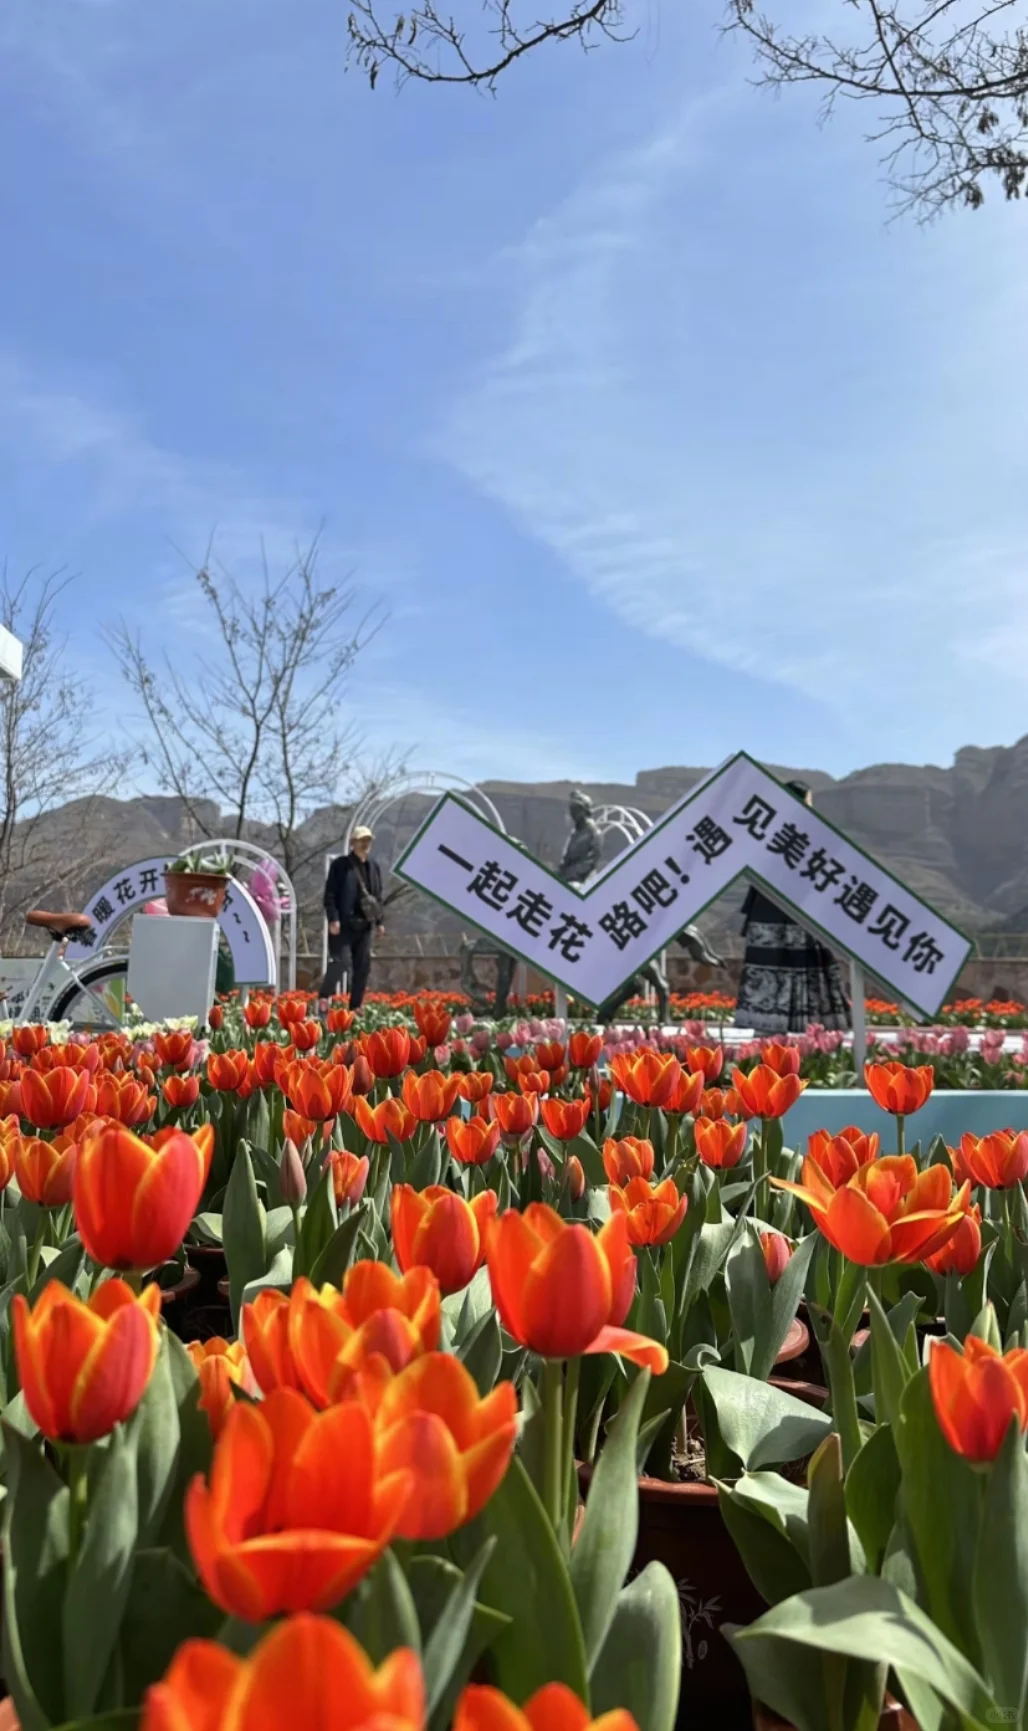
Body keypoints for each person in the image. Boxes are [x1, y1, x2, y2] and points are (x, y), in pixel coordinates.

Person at [734, 780, 850, 1034]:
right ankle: (802, 1030)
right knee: (794, 962)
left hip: (775, 910)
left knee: (791, 962)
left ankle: (777, 1030)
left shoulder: (769, 832)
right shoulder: (798, 834)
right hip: (786, 910)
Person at [320, 826, 384, 1009]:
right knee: (342, 962)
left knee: (363, 968)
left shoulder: (374, 867)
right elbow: (330, 894)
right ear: (352, 843)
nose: (365, 844)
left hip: (364, 926)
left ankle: (355, 1007)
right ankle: (324, 996)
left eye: (368, 840)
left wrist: (379, 922)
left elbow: (378, 897)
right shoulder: (341, 865)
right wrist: (333, 918)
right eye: (361, 840)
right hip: (343, 925)